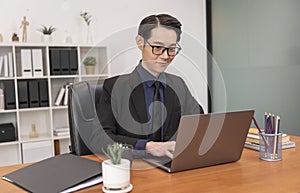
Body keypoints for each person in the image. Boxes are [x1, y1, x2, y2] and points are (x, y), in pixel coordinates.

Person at [96, 13, 204, 159]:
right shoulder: (114, 87)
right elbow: (101, 138)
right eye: (158, 47)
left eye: (172, 49)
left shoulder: (178, 84)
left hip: (174, 165)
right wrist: (148, 147)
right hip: (136, 167)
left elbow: (199, 121)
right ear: (140, 42)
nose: (166, 56)